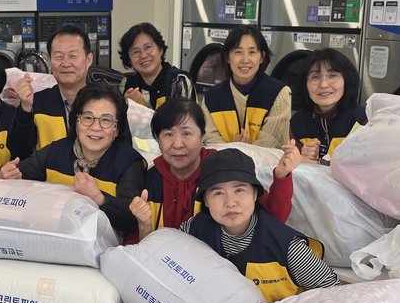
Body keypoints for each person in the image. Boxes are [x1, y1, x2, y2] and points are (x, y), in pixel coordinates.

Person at [128, 98, 299, 239]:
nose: (178, 144)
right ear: (158, 140)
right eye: (168, 134)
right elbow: (132, 240)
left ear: (202, 136)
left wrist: (281, 177)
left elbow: (273, 218)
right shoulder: (150, 178)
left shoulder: (224, 168)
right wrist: (143, 226)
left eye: (186, 133)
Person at [181, 149, 337, 303]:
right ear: (206, 201)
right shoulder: (192, 231)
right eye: (218, 193)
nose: (230, 202)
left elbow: (334, 294)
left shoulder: (289, 249)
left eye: (239, 190)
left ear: (255, 194)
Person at [0, 83, 144, 236]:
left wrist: (99, 198)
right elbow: (18, 173)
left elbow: (133, 219)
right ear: (76, 122)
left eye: (106, 120)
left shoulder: (129, 162)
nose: (96, 127)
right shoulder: (55, 151)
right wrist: (4, 175)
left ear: (117, 129)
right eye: (88, 118)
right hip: (51, 237)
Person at [9, 24, 94, 155]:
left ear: (88, 60)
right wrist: (25, 109)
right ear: (50, 61)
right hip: (49, 168)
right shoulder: (36, 102)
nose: (65, 63)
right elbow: (19, 152)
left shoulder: (106, 102)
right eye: (58, 56)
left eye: (73, 56)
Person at [201, 25, 291, 147]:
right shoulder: (211, 98)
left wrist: (241, 149)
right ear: (227, 57)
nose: (245, 60)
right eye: (238, 52)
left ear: (262, 57)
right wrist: (238, 149)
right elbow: (210, 143)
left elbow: (271, 143)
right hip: (224, 160)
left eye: (252, 52)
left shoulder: (279, 93)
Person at [290, 48, 368, 163]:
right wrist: (302, 157)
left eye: (332, 76)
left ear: (347, 80)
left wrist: (320, 163)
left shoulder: (363, 120)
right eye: (315, 77)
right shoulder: (298, 123)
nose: (323, 84)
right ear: (305, 84)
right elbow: (290, 167)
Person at [120, 23, 193, 109]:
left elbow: (176, 117)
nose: (143, 55)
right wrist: (125, 105)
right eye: (136, 52)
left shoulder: (178, 80)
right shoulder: (127, 83)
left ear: (160, 50)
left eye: (148, 47)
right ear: (129, 60)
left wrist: (136, 107)